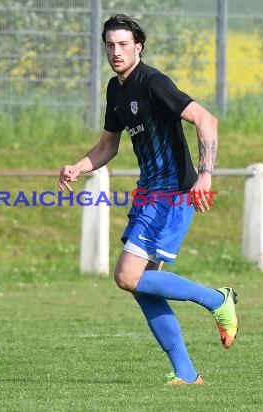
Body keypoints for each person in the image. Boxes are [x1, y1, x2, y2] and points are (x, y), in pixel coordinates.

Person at [58, 14, 238, 385]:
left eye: (123, 44)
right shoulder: (116, 89)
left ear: (138, 47)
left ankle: (217, 300)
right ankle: (186, 374)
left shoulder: (154, 83)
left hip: (172, 194)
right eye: (110, 44)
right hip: (149, 194)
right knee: (141, 287)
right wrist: (78, 167)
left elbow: (207, 120)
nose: (115, 51)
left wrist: (205, 175)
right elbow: (109, 145)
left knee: (126, 276)